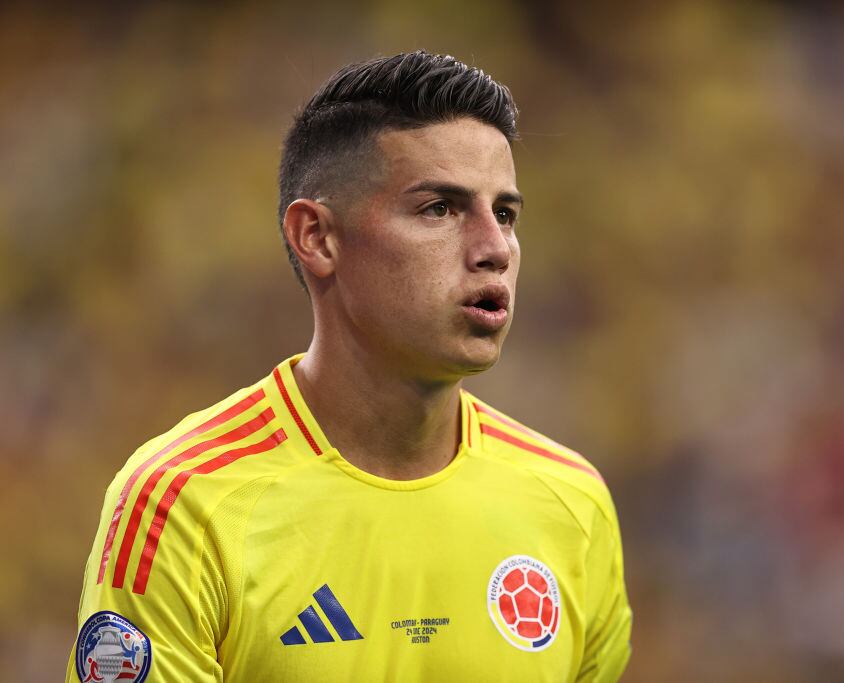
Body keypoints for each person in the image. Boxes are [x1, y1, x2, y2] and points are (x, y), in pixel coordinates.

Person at [68, 51, 632, 682]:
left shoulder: (572, 504)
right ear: (317, 237)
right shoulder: (183, 508)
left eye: (505, 214)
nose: (495, 248)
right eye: (439, 208)